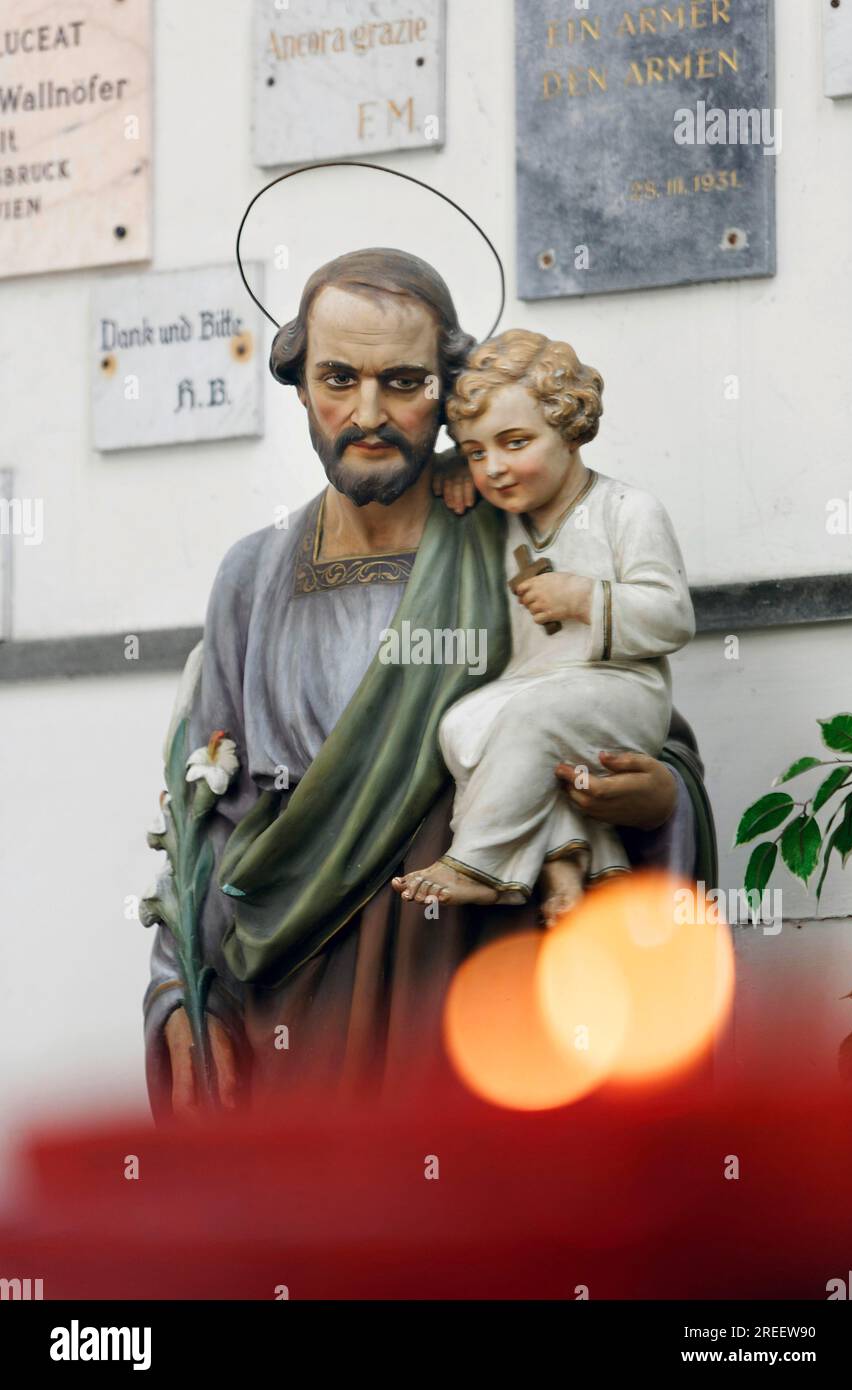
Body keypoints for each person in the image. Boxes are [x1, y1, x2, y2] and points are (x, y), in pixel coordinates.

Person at [143, 248, 717, 1119]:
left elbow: (632, 715)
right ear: (300, 384)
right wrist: (182, 993)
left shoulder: (514, 539)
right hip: (291, 1002)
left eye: (404, 382)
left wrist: (658, 798)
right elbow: (201, 810)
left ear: (447, 395)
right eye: (339, 377)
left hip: (489, 986)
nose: (368, 414)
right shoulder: (252, 577)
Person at [393, 330, 695, 923]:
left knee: (530, 722)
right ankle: (574, 863)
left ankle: (479, 864)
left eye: (514, 442)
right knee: (462, 724)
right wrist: (456, 465)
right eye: (478, 453)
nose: (496, 468)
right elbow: (438, 473)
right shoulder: (501, 524)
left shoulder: (626, 511)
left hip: (622, 692)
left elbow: (672, 617)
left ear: (570, 427)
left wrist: (585, 597)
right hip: (538, 684)